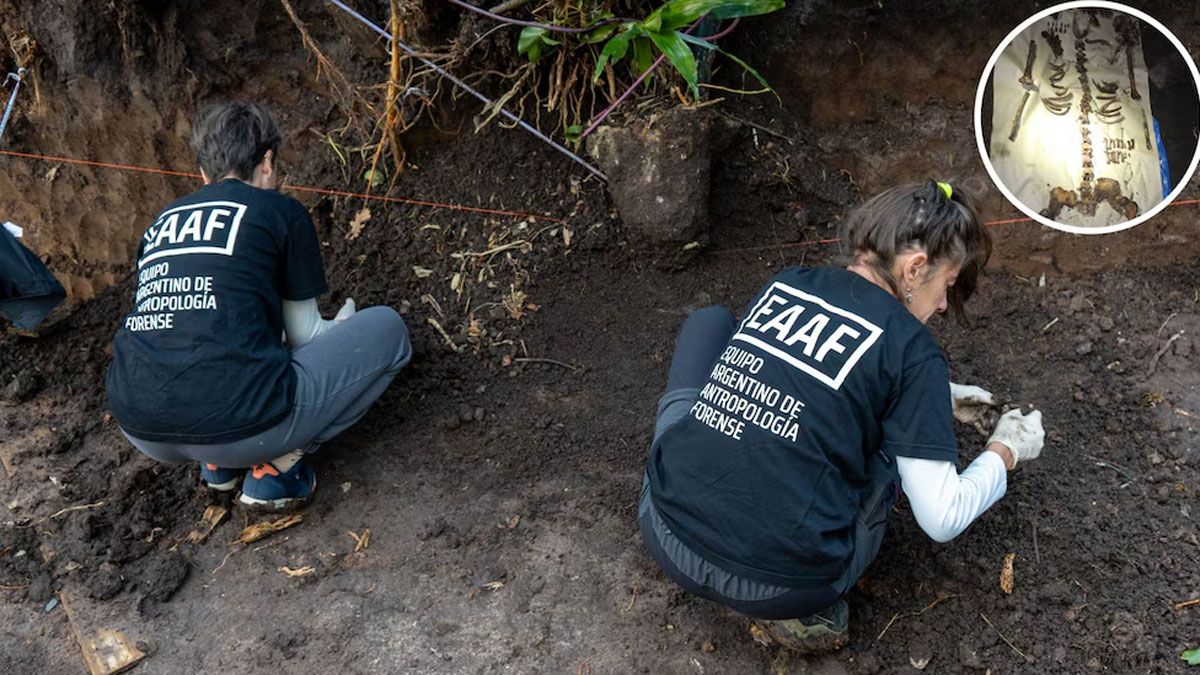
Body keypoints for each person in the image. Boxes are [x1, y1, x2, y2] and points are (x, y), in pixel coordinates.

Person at [639, 180, 1045, 653]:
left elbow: (799, 375)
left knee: (709, 323)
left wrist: (936, 399)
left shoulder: (788, 283)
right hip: (781, 587)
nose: (940, 305)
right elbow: (942, 517)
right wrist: (1006, 449)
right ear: (915, 268)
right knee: (887, 456)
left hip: (665, 529)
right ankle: (805, 618)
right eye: (946, 286)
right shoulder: (913, 353)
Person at [105, 102, 411, 511]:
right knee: (388, 330)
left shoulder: (162, 219)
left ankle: (218, 467)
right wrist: (346, 324)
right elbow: (306, 337)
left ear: (203, 173)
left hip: (141, 423)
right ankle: (279, 467)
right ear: (266, 162)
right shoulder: (278, 210)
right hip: (239, 425)